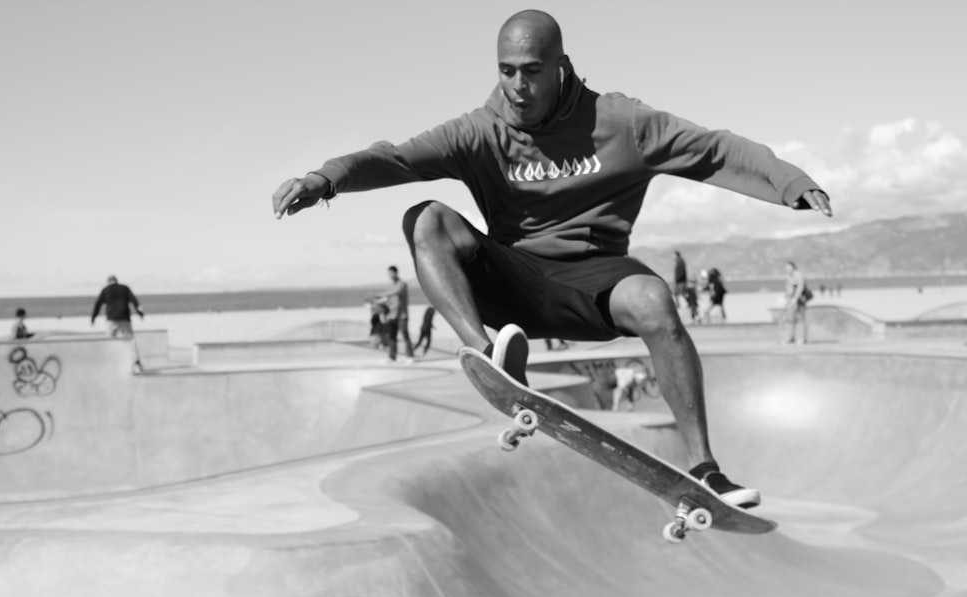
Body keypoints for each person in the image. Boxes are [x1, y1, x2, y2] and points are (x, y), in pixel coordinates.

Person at [271, 10, 832, 508]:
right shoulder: (478, 131)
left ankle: (705, 470)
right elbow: (394, 159)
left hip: (594, 277)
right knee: (426, 216)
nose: (518, 85)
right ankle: (487, 357)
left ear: (561, 65)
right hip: (511, 277)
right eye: (507, 70)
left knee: (655, 300)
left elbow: (713, 148)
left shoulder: (623, 122)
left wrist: (789, 182)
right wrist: (327, 179)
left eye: (532, 70)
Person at [373, 266, 414, 361]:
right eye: (388, 274)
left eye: (391, 273)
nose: (390, 275)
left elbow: (394, 292)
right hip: (392, 315)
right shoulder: (391, 285)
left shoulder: (402, 284)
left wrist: (379, 294)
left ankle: (410, 356)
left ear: (396, 273)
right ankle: (392, 357)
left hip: (402, 315)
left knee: (405, 335)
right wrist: (378, 303)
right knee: (392, 336)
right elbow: (388, 299)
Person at [782, 261, 809, 345]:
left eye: (789, 267)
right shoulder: (788, 276)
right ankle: (790, 338)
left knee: (800, 319)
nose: (787, 269)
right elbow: (788, 288)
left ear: (793, 267)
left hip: (799, 300)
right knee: (790, 319)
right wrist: (786, 298)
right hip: (790, 301)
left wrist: (795, 298)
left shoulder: (797, 274)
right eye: (786, 268)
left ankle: (801, 339)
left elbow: (800, 286)